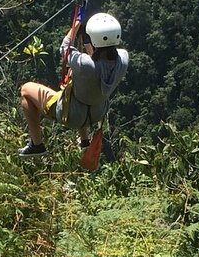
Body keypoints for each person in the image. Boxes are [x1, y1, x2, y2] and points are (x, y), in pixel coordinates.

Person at [18, 12, 129, 157]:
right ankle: (84, 141)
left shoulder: (85, 65)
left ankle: (37, 144)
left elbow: (65, 48)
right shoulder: (123, 59)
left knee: (26, 90)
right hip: (96, 113)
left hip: (72, 115)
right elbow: (98, 62)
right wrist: (90, 43)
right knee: (83, 89)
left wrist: (76, 25)